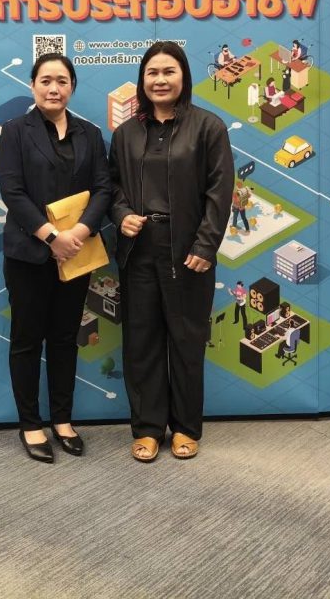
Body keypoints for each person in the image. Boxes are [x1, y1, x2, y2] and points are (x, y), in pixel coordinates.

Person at [109, 41, 234, 462]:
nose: (160, 80)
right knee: (141, 343)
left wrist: (205, 245)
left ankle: (185, 428)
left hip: (188, 254)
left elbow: (220, 191)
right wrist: (122, 214)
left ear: (184, 77)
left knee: (186, 344)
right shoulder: (125, 134)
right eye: (152, 73)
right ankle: (147, 429)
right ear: (142, 81)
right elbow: (112, 187)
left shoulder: (208, 127)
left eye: (169, 72)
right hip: (138, 253)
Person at [0, 53, 111, 463]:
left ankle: (62, 420)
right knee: (27, 340)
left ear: (72, 87)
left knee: (65, 338)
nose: (53, 88)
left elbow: (103, 188)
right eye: (45, 80)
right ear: (32, 85)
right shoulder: (15, 131)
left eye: (62, 81)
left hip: (76, 253)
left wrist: (78, 233)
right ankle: (31, 424)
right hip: (28, 254)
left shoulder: (90, 133)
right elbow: (12, 191)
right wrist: (51, 237)